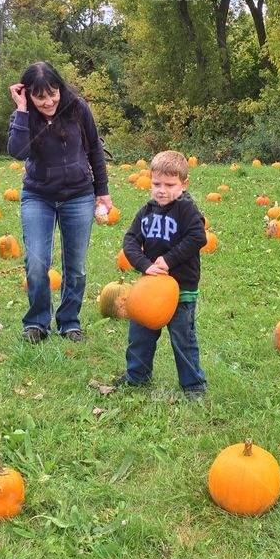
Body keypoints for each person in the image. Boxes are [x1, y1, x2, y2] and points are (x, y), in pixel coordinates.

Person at [7, 62, 111, 343]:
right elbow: (18, 152)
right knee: (37, 263)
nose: (48, 101)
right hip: (38, 196)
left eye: (52, 93)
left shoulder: (77, 108)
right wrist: (21, 109)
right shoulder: (24, 116)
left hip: (78, 195)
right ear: (27, 94)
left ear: (59, 88)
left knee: (75, 266)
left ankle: (69, 321)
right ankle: (37, 323)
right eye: (40, 97)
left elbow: (95, 151)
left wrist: (103, 191)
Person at [116, 151, 207, 401]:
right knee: (140, 334)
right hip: (151, 288)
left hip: (181, 288)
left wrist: (168, 260)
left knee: (183, 339)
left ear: (184, 184)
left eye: (170, 185)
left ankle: (193, 385)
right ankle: (137, 376)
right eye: (156, 184)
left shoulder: (186, 209)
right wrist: (145, 265)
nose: (162, 190)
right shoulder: (146, 212)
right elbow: (130, 240)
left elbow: (197, 237)